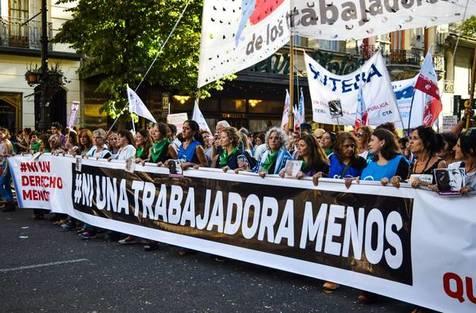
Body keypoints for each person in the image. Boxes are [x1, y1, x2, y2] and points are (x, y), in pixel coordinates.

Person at [0, 128, 14, 212]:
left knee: (1, 183)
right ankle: (10, 203)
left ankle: (8, 200)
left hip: (7, 164)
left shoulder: (6, 143)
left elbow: (9, 155)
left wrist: (1, 154)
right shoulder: (4, 142)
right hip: (5, 164)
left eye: (1, 134)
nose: (0, 135)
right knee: (6, 184)